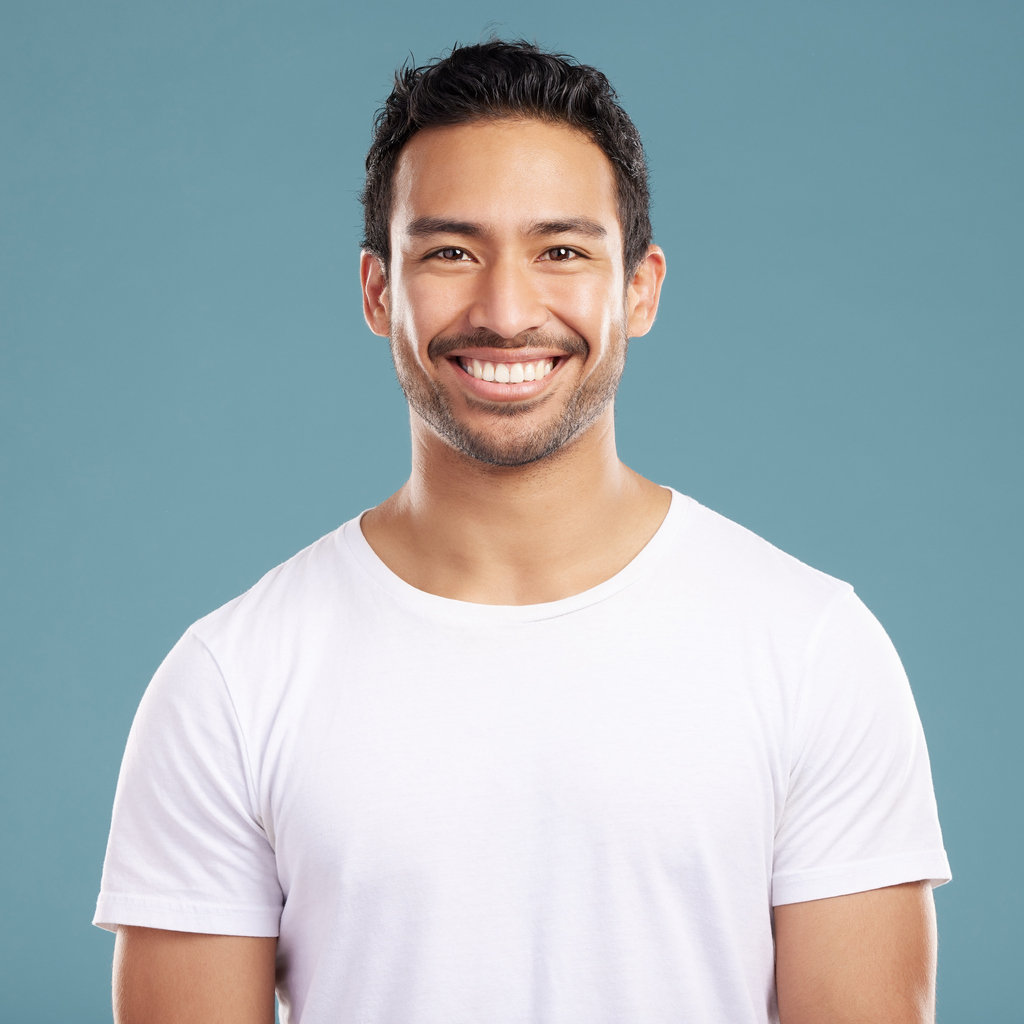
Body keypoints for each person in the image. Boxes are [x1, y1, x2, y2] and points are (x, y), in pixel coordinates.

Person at [94, 39, 950, 1024]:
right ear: (379, 291)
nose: (506, 311)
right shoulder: (229, 681)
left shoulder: (812, 649)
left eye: (561, 251)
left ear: (640, 286)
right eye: (451, 251)